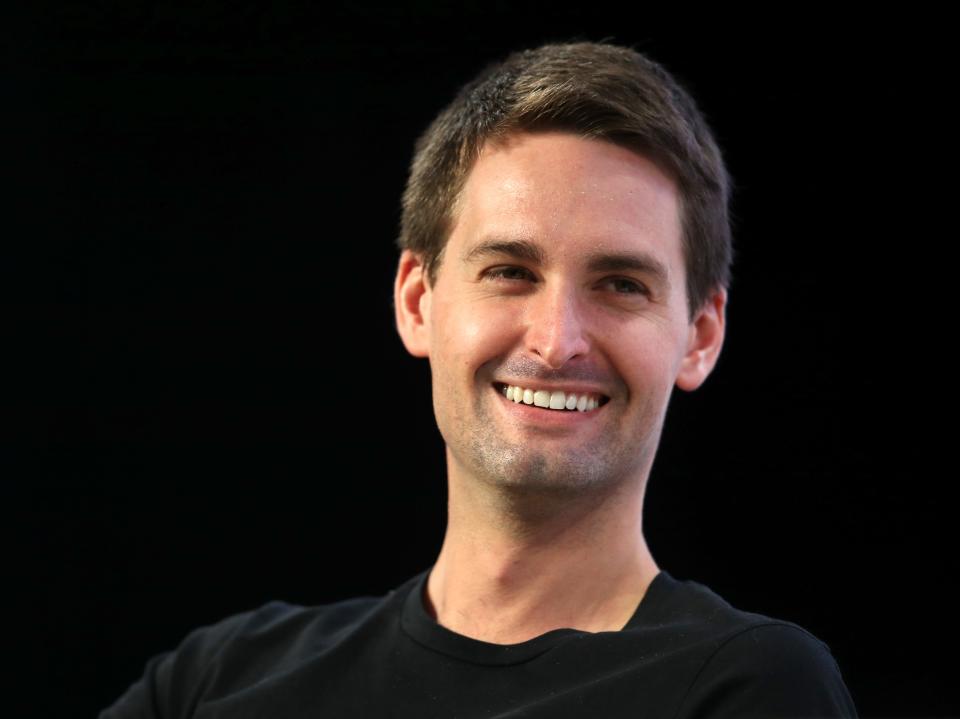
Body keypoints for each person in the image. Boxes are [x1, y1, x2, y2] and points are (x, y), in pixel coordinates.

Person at [102, 41, 858, 718]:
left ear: (701, 336)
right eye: (509, 271)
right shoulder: (215, 679)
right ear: (417, 301)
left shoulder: (752, 686)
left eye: (621, 284)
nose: (557, 341)